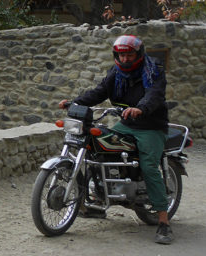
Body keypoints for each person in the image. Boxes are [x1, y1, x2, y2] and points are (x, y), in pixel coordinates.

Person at [58, 34, 173, 245]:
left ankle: (164, 222)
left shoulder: (153, 71)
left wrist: (140, 109)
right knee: (97, 148)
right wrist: (75, 103)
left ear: (138, 54)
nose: (125, 60)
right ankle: (95, 203)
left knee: (148, 166)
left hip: (151, 126)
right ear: (116, 56)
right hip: (127, 124)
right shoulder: (116, 73)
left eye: (129, 55)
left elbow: (154, 94)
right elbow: (99, 92)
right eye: (121, 55)